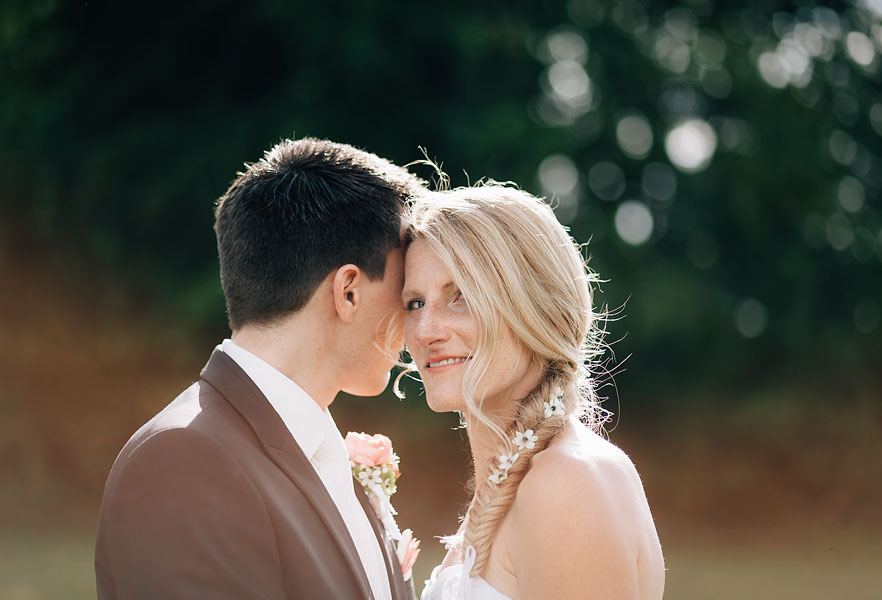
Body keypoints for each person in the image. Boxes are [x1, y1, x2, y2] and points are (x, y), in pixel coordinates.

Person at [95, 138, 424, 599]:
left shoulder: (317, 450)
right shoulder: (185, 460)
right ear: (349, 291)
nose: (415, 322)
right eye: (407, 292)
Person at [402, 183, 665, 599]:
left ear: (532, 305)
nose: (426, 331)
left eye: (462, 297)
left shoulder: (566, 483)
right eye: (414, 303)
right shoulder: (508, 487)